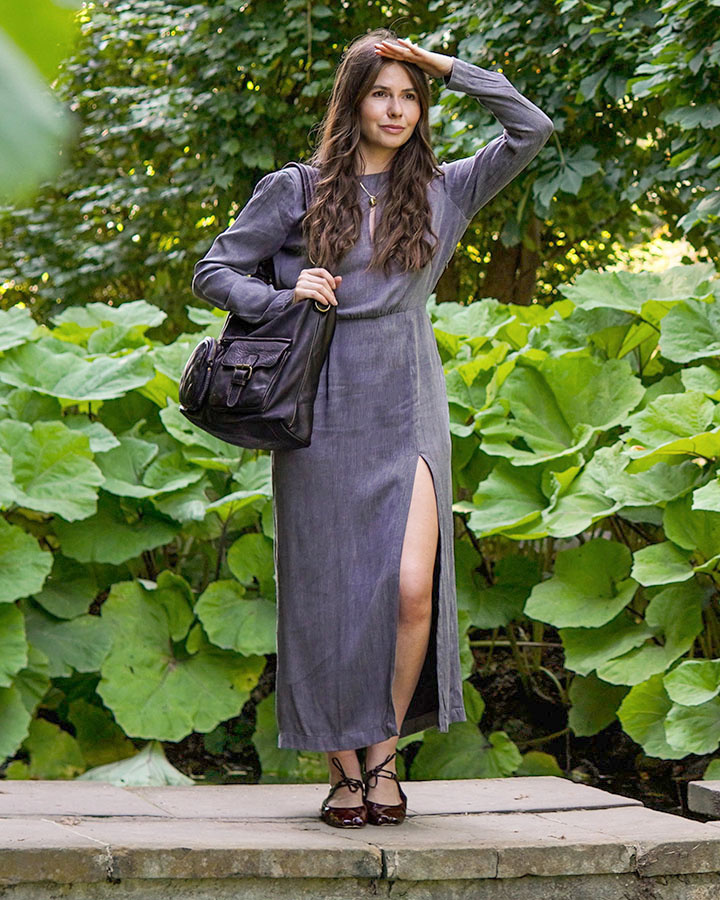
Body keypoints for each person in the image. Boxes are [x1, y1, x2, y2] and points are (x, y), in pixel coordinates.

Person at [191, 27, 554, 828]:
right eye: (381, 93)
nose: (396, 108)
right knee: (329, 597)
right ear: (353, 102)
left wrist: (443, 65)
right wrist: (281, 296)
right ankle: (343, 771)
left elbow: (531, 128)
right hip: (319, 408)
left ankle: (384, 754)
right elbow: (212, 271)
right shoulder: (297, 188)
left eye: (409, 95)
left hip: (410, 403)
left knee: (412, 590)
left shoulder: (448, 189)